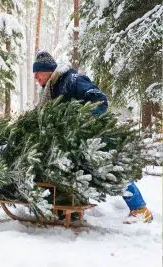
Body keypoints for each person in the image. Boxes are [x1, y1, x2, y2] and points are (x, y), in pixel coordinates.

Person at [32, 51, 153, 223]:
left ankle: (140, 209)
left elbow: (100, 100)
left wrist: (84, 121)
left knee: (112, 169)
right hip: (71, 141)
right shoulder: (49, 90)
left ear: (49, 69)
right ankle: (70, 211)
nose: (35, 76)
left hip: (93, 136)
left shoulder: (72, 80)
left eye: (38, 72)